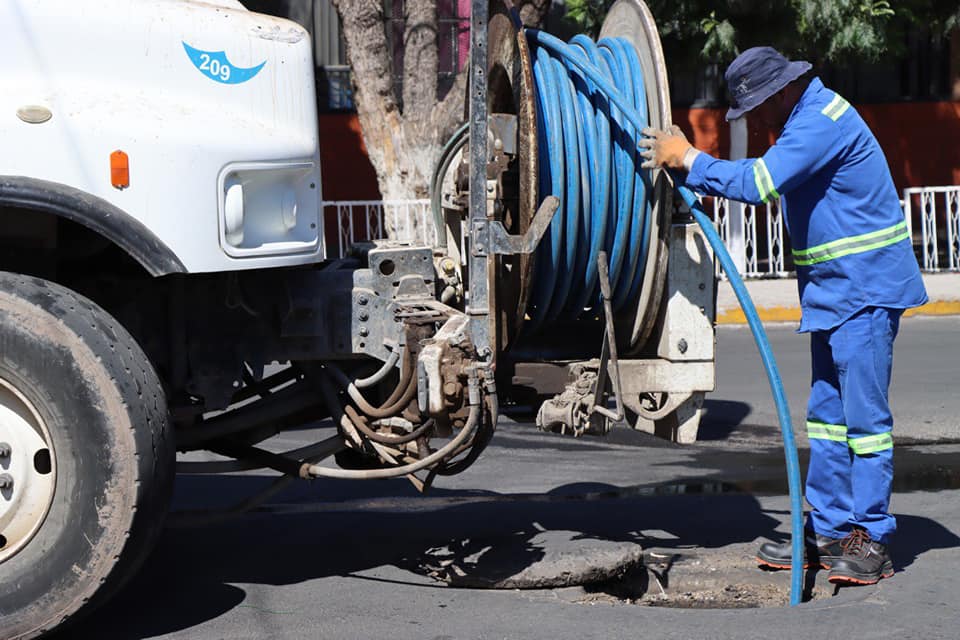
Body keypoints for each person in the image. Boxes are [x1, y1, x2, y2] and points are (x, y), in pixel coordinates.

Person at [639, 46, 927, 585]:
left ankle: (873, 539)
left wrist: (689, 158)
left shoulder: (820, 122)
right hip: (835, 294)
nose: (754, 120)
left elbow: (759, 185)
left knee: (863, 425)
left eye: (755, 109)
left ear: (781, 93)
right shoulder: (807, 118)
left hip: (863, 292)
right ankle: (830, 528)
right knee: (826, 418)